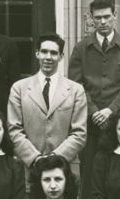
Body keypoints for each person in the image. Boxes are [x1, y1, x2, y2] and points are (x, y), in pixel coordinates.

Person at [67, 0, 120, 199]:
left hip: (119, 120)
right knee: (89, 167)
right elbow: (76, 84)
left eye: (107, 16)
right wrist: (94, 111)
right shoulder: (81, 48)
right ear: (91, 19)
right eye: (98, 18)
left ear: (115, 16)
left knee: (118, 166)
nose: (102, 22)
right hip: (89, 121)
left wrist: (110, 111)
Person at [7, 33, 88, 175]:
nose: (48, 57)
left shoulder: (75, 90)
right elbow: (14, 129)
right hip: (29, 169)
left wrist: (54, 158)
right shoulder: (19, 88)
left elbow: (79, 133)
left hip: (65, 169)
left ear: (61, 57)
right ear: (37, 54)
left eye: (53, 53)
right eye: (44, 52)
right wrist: (36, 159)